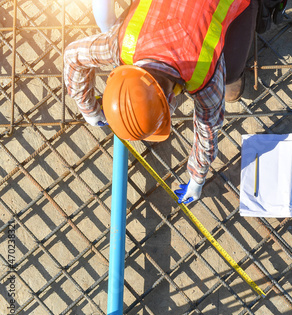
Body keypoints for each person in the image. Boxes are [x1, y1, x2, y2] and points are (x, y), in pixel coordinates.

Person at [64, 0, 259, 203]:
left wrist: (197, 181)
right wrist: (89, 108)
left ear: (171, 100)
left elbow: (208, 128)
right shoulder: (123, 44)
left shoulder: (203, 74)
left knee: (230, 77)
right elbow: (72, 55)